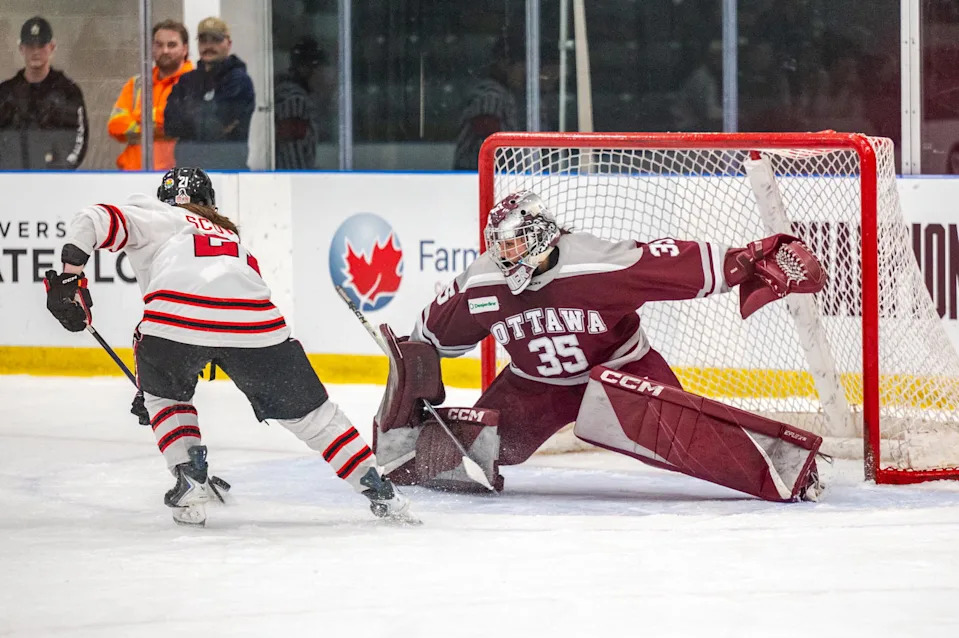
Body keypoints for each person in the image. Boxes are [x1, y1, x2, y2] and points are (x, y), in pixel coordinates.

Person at [374, 190, 827, 502]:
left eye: (515, 244)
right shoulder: (483, 282)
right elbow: (429, 340)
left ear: (542, 235)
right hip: (535, 387)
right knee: (472, 454)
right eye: (500, 246)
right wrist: (410, 392)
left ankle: (789, 470)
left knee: (682, 441)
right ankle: (416, 457)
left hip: (623, 374)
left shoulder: (596, 263)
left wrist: (746, 262)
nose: (506, 256)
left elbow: (671, 265)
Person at [42, 167, 414, 526]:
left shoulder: (155, 213)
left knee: (166, 398)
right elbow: (229, 314)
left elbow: (92, 219)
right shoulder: (233, 239)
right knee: (314, 416)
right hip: (255, 322)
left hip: (175, 319)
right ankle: (376, 486)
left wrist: (70, 277)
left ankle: (190, 473)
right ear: (209, 202)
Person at [164, 17, 255, 169]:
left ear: (228, 43)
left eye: (215, 40)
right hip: (188, 173)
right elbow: (170, 126)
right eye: (203, 40)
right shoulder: (187, 80)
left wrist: (189, 113)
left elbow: (214, 126)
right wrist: (204, 112)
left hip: (227, 173)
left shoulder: (238, 81)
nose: (209, 46)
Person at [0, 16, 87, 169]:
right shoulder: (6, 92)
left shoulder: (68, 92)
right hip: (11, 182)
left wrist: (62, 169)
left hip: (54, 182)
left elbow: (80, 138)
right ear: (21, 48)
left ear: (52, 47)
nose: (36, 51)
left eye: (41, 45)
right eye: (30, 45)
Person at [107, 20, 193, 171]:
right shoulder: (137, 84)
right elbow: (115, 126)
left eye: (172, 45)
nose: (165, 50)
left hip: (176, 176)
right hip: (132, 174)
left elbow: (180, 123)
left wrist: (137, 118)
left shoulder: (195, 82)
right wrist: (155, 126)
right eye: (159, 45)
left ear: (185, 49)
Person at [452, 35, 523, 171]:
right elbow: (488, 134)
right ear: (505, 64)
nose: (525, 74)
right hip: (473, 174)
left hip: (488, 174)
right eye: (522, 67)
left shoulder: (504, 93)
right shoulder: (490, 94)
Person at [274, 36, 327, 169]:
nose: (324, 76)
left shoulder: (297, 98)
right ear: (306, 69)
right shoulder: (295, 102)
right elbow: (292, 156)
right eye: (321, 69)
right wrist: (303, 181)